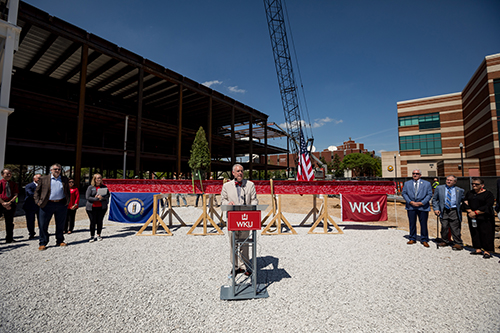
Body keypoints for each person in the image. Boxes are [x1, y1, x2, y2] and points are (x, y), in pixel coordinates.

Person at [221, 164, 258, 276]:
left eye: (241, 171)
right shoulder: (226, 186)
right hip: (232, 218)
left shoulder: (250, 185)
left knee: (245, 243)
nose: (240, 173)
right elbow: (222, 201)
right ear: (233, 173)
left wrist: (252, 208)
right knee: (233, 243)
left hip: (246, 219)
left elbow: (255, 200)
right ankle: (235, 266)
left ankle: (245, 266)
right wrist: (228, 203)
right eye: (237, 171)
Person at [34, 163, 71, 251]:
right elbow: (37, 192)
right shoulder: (44, 179)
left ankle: (60, 240)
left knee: (60, 224)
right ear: (51, 170)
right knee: (43, 224)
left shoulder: (64, 179)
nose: (57, 171)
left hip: (61, 204)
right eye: (55, 169)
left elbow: (67, 191)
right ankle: (43, 242)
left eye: (59, 169)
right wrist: (38, 202)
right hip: (47, 204)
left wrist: (67, 201)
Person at [463, 178, 495, 259]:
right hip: (472, 217)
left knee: (486, 233)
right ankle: (478, 249)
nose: (474, 185)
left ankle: (487, 251)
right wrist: (470, 211)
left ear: (482, 185)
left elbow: (488, 205)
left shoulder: (488, 194)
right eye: (473, 184)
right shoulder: (470, 193)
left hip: (485, 217)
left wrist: (476, 212)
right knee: (475, 232)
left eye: (476, 184)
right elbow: (465, 202)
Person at [432, 175, 465, 250]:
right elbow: (434, 200)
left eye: (450, 180)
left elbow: (463, 200)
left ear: (455, 182)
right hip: (444, 210)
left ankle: (457, 243)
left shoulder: (459, 190)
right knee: (444, 227)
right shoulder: (439, 188)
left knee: (455, 228)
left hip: (454, 211)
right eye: (447, 180)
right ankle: (445, 241)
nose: (448, 181)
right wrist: (436, 209)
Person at [402, 169, 432, 247]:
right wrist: (410, 202)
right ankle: (412, 238)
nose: (415, 175)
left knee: (423, 224)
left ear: (420, 175)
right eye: (413, 173)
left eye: (417, 173)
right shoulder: (407, 183)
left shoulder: (427, 184)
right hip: (411, 206)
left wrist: (422, 203)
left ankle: (424, 239)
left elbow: (429, 194)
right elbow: (404, 193)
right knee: (412, 223)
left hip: (423, 207)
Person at [85, 173, 110, 242]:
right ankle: (92, 236)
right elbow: (87, 197)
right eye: (98, 178)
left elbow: (108, 195)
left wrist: (102, 198)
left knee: (99, 221)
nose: (99, 179)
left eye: (100, 178)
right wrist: (96, 199)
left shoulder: (104, 187)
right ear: (94, 179)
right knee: (92, 222)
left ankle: (99, 235)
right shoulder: (90, 187)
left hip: (102, 207)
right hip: (91, 207)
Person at [0, 168, 19, 243]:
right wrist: (3, 203)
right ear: (2, 175)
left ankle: (9, 238)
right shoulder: (0, 183)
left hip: (10, 204)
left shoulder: (13, 184)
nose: (9, 175)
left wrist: (10, 202)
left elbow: (16, 194)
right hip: (0, 203)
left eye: (10, 173)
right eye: (7, 173)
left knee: (9, 222)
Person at [23, 173, 41, 239]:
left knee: (41, 220)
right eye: (38, 178)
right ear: (34, 179)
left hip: (40, 206)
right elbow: (30, 194)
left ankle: (42, 232)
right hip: (30, 206)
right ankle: (31, 233)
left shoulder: (43, 186)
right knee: (30, 220)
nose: (40, 179)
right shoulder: (29, 186)